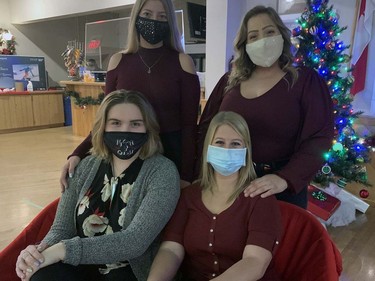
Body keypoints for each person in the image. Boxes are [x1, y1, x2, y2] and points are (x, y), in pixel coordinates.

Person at [16, 90, 180, 281]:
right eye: (116, 123)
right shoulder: (85, 166)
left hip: (127, 271)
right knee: (40, 275)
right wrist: (38, 254)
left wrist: (62, 250)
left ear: (148, 128)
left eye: (135, 124)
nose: (124, 131)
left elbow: (134, 241)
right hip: (78, 265)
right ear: (102, 127)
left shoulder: (162, 172)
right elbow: (61, 229)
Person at [197, 6, 334, 209]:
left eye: (269, 32)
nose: (262, 41)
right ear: (245, 45)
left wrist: (285, 179)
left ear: (281, 35)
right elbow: (206, 129)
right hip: (228, 183)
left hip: (280, 189)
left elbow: (319, 139)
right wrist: (200, 174)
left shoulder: (305, 81)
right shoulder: (229, 82)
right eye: (253, 36)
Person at [60, 0, 200, 190]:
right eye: (148, 14)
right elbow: (106, 120)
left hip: (170, 156)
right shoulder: (118, 62)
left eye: (162, 16)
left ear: (170, 23)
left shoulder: (183, 62)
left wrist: (186, 176)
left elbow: (189, 127)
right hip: (125, 153)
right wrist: (78, 153)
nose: (154, 21)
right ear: (136, 17)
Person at [147, 111, 282, 281]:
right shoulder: (189, 196)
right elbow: (171, 249)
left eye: (235, 144)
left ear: (246, 150)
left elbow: (255, 261)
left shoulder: (260, 197)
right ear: (208, 148)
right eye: (219, 142)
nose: (227, 149)